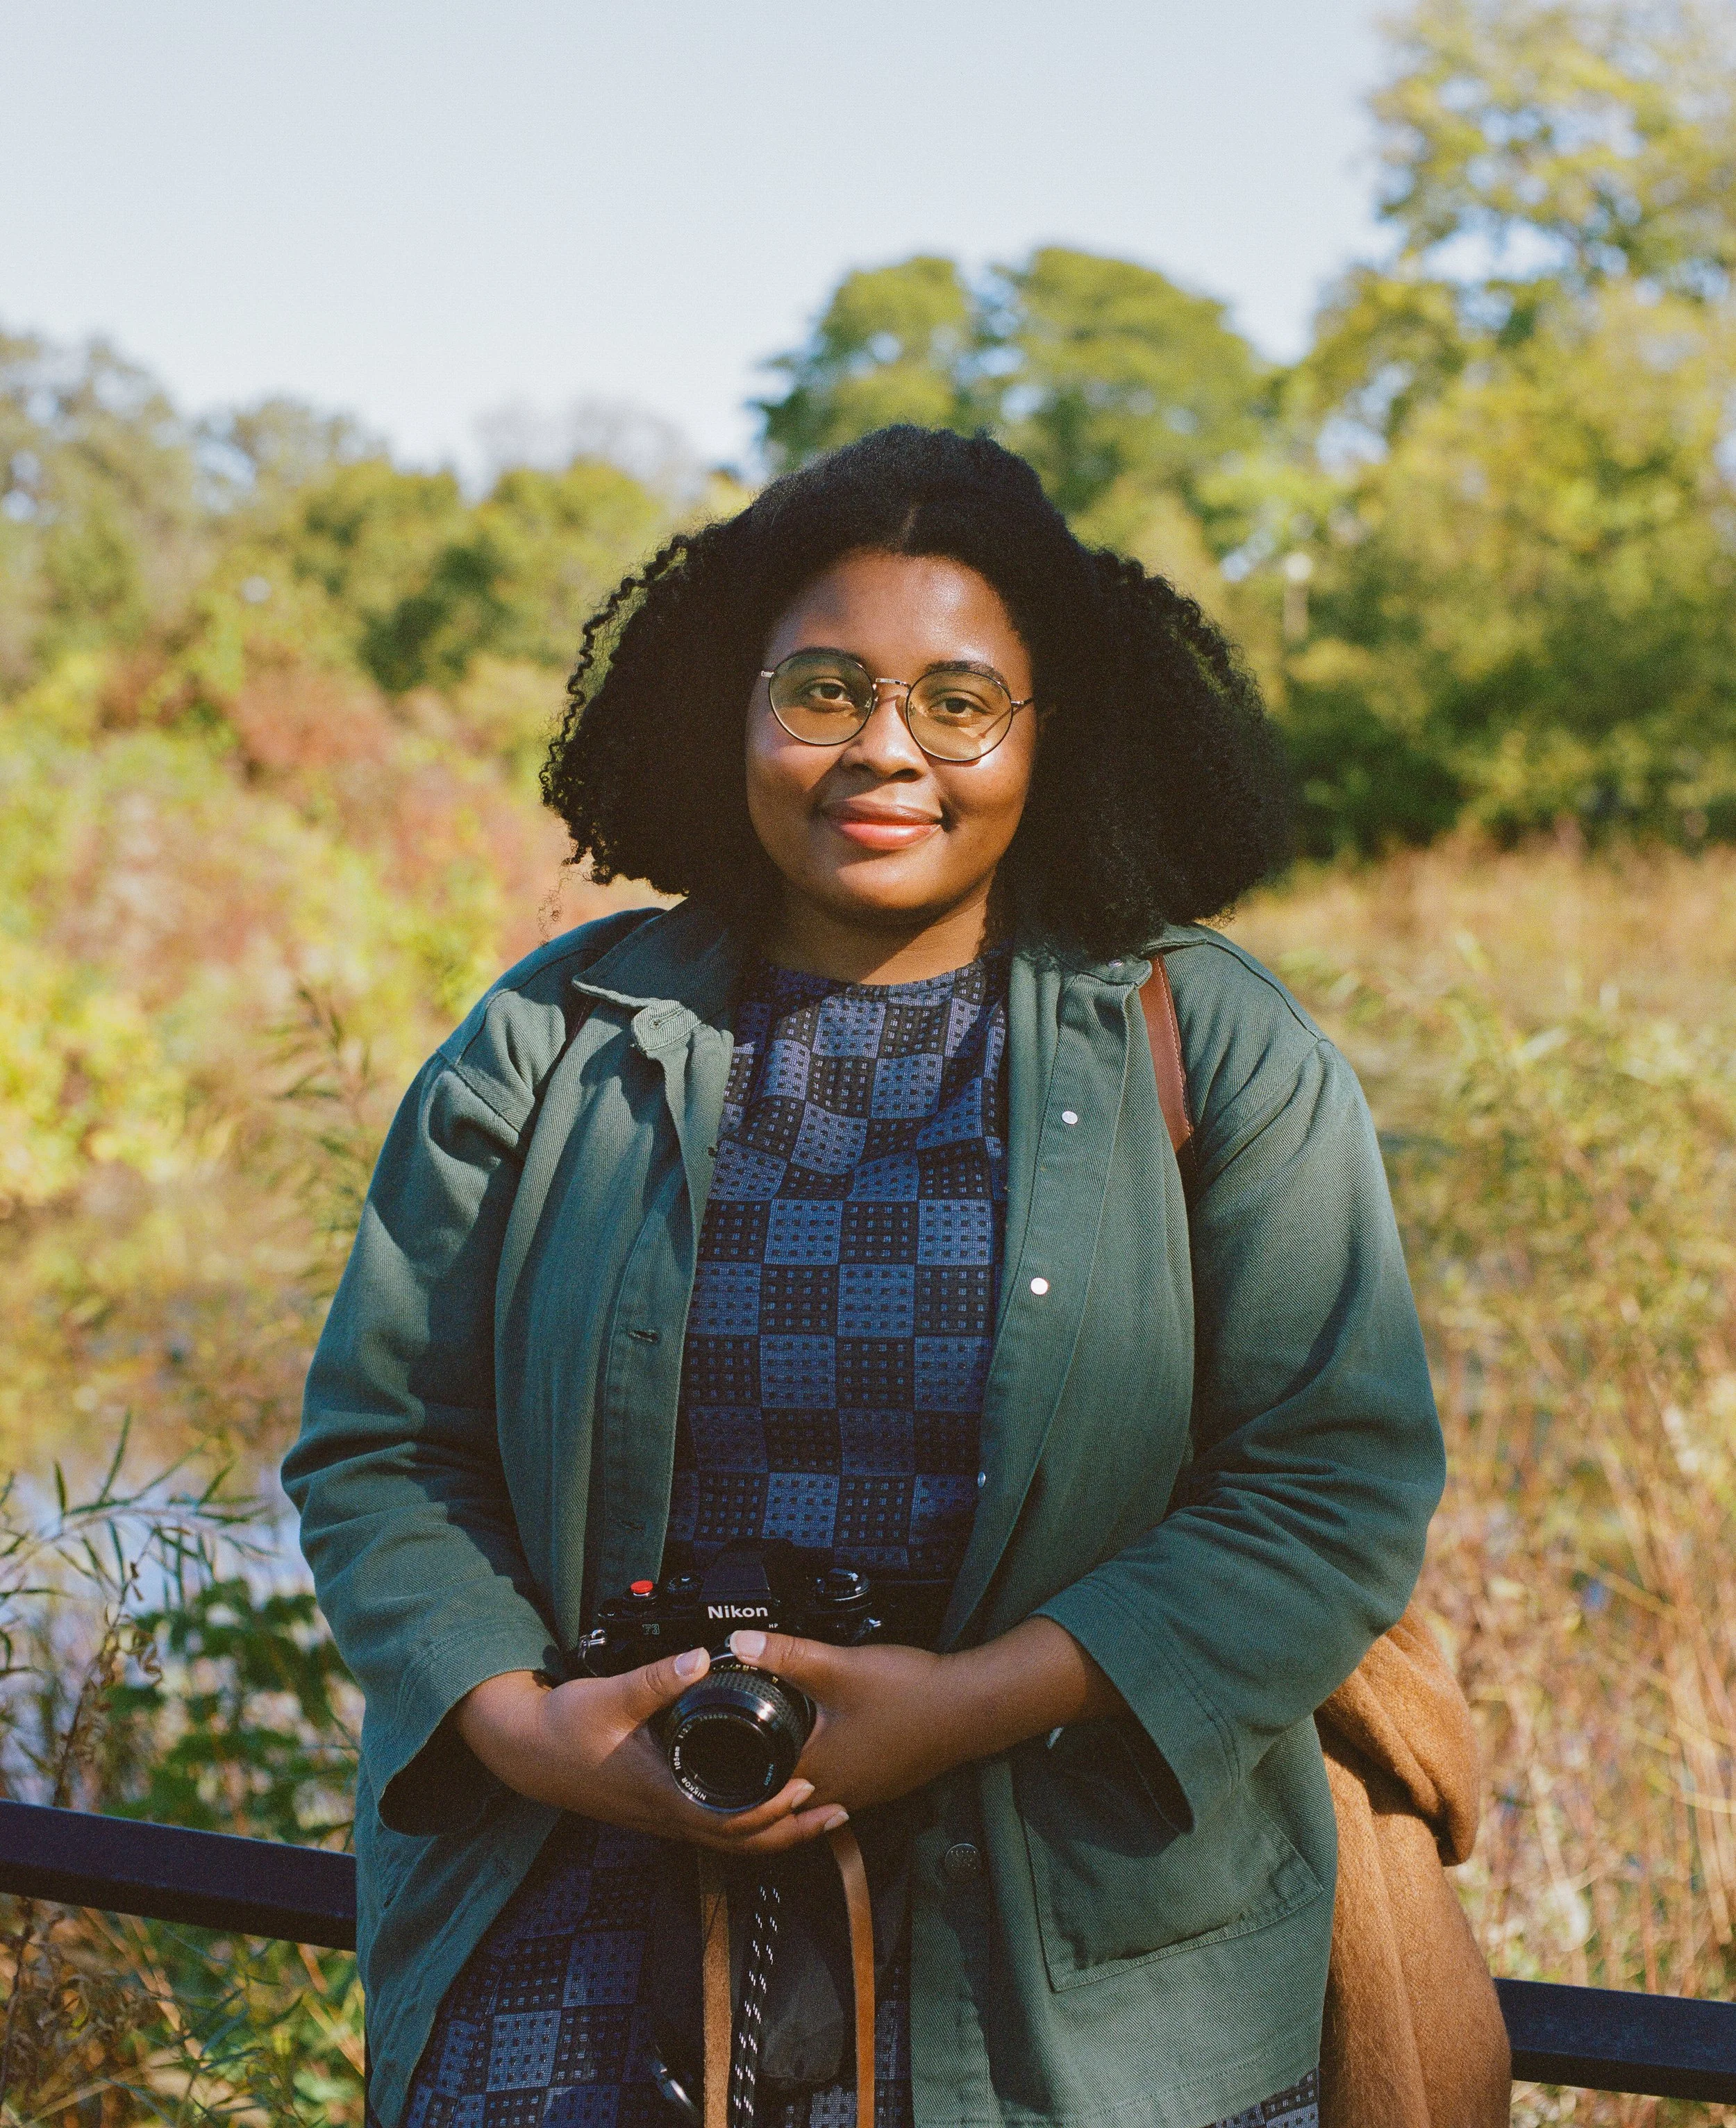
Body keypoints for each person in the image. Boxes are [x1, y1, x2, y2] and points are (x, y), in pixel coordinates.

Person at [285, 426, 1444, 2128]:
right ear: (731, 705)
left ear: (1051, 732)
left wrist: (968, 1702)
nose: (884, 748)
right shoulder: (549, 1040)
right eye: (822, 689)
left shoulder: (1211, 1044)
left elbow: (1328, 1481)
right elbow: (383, 1445)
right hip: (586, 1912)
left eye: (957, 701)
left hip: (1084, 1971)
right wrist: (525, 1726)